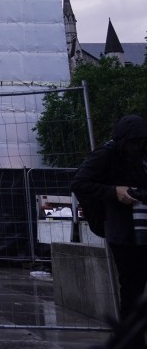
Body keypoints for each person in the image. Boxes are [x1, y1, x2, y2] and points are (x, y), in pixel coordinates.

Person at [71, 114, 147, 342]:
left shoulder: (138, 153)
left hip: (136, 225)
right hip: (124, 229)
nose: (139, 147)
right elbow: (79, 183)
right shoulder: (106, 155)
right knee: (133, 290)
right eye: (135, 143)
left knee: (134, 290)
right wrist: (115, 192)